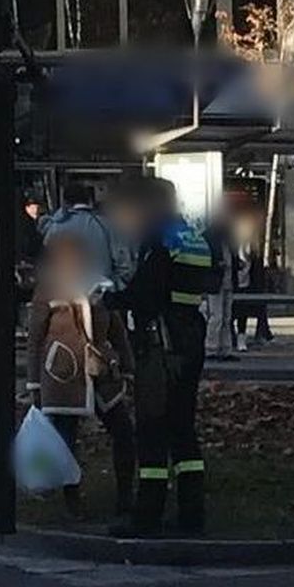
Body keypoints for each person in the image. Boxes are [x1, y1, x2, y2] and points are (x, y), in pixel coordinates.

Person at [106, 177, 211, 535]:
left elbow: (145, 293)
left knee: (151, 428)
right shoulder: (193, 237)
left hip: (160, 342)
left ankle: (147, 515)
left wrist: (109, 300)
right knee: (183, 428)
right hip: (191, 338)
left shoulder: (160, 239)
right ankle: (191, 512)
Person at [25, 235, 136, 519]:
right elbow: (35, 339)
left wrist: (126, 363)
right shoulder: (47, 289)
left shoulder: (101, 285)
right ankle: (72, 501)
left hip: (99, 372)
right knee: (66, 438)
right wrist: (34, 383)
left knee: (123, 430)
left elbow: (117, 328)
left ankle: (126, 497)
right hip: (63, 375)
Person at [39, 181, 134, 289]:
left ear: (64, 201)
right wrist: (110, 289)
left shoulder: (55, 227)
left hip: (64, 294)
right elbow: (125, 265)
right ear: (89, 199)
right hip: (101, 295)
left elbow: (47, 264)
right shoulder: (106, 225)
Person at [203, 212, 240, 361]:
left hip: (227, 280)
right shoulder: (211, 237)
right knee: (216, 316)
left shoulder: (227, 237)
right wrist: (217, 265)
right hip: (216, 281)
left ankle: (225, 348)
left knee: (226, 317)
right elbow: (207, 259)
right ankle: (211, 348)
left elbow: (234, 256)